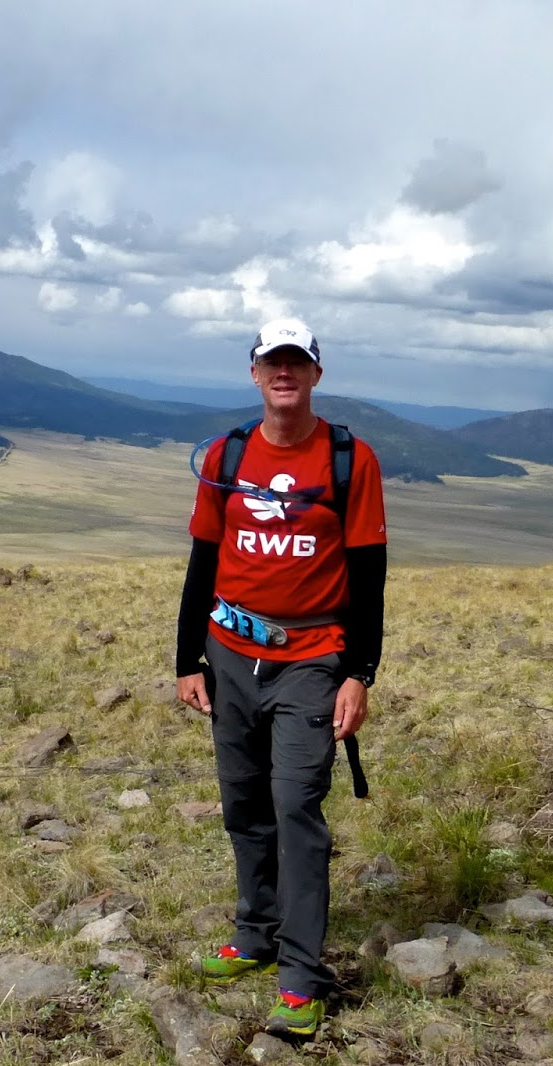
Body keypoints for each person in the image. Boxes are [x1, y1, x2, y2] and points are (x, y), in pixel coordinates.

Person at [175, 317, 387, 1038]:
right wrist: (185, 659)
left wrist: (360, 672)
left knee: (296, 805)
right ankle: (255, 932)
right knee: (242, 801)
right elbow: (203, 560)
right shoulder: (228, 455)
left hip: (312, 659)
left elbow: (368, 576)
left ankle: (300, 976)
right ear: (256, 372)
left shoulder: (350, 460)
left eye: (298, 361)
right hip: (229, 653)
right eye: (273, 360)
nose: (285, 371)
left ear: (316, 375)